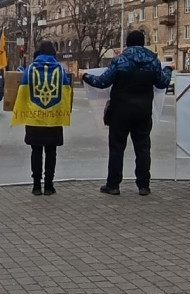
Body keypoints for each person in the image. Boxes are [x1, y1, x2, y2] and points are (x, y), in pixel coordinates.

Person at [83, 30, 172, 196]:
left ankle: (113, 185)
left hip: (120, 111)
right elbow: (162, 83)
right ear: (143, 42)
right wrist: (168, 70)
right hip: (143, 111)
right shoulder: (153, 61)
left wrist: (85, 76)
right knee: (143, 148)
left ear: (128, 43)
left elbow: (102, 82)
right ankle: (144, 185)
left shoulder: (120, 60)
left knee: (117, 148)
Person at [12, 41, 72, 196]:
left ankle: (36, 186)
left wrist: (22, 111)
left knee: (36, 151)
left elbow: (23, 93)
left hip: (35, 118)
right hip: (54, 118)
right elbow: (66, 93)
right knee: (51, 152)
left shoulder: (31, 68)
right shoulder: (60, 69)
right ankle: (49, 186)